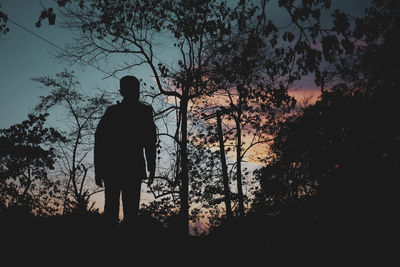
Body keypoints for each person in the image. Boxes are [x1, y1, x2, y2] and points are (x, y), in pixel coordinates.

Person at [94, 75, 157, 229]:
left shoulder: (137, 111)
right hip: (120, 169)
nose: (136, 93)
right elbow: (100, 141)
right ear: (123, 92)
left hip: (121, 169)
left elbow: (150, 141)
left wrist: (151, 167)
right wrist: (99, 170)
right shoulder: (140, 111)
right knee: (120, 213)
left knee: (124, 213)